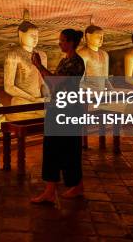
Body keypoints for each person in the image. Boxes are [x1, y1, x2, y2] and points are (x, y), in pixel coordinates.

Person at [30, 29, 86, 203]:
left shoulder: (76, 63)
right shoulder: (64, 61)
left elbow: (55, 81)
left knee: (68, 148)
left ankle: (74, 185)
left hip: (68, 108)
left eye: (62, 41)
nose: (60, 43)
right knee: (53, 147)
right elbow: (53, 85)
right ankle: (52, 189)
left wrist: (39, 66)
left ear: (70, 43)